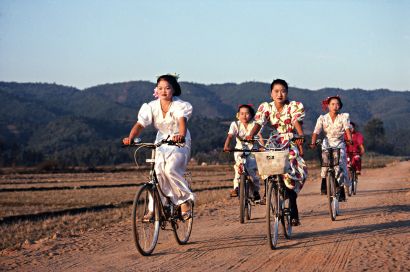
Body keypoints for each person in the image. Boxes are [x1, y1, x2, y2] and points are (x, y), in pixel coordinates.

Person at [122, 74, 194, 220]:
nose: (163, 91)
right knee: (157, 173)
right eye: (160, 88)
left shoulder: (180, 105)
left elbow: (182, 122)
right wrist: (130, 138)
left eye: (167, 88)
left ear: (174, 90)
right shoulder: (152, 106)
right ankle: (154, 208)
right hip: (161, 140)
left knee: (170, 169)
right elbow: (140, 124)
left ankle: (184, 201)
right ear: (156, 90)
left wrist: (180, 135)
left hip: (179, 140)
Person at [246, 79, 307, 226]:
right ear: (271, 93)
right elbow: (259, 123)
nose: (280, 94)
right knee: (266, 161)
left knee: (291, 172)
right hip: (274, 140)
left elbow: (295, 122)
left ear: (287, 92)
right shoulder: (266, 107)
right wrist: (251, 135)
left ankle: (294, 211)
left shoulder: (294, 106)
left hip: (290, 140)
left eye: (283, 91)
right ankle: (269, 188)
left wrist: (300, 135)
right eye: (276, 91)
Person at [310, 96, 353, 200]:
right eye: (333, 104)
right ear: (328, 106)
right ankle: (324, 182)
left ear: (340, 106)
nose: (335, 106)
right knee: (325, 163)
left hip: (339, 143)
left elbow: (347, 129)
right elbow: (316, 131)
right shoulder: (322, 118)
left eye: (337, 104)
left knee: (340, 165)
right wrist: (313, 142)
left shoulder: (344, 117)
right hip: (327, 143)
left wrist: (350, 139)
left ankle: (341, 188)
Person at [223, 104, 262, 201]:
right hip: (239, 149)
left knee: (252, 171)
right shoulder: (235, 124)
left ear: (251, 115)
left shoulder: (255, 125)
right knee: (238, 167)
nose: (244, 116)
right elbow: (230, 136)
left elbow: (260, 136)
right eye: (242, 113)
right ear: (238, 115)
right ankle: (236, 188)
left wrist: (262, 147)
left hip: (252, 150)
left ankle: (256, 190)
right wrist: (226, 146)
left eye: (247, 113)